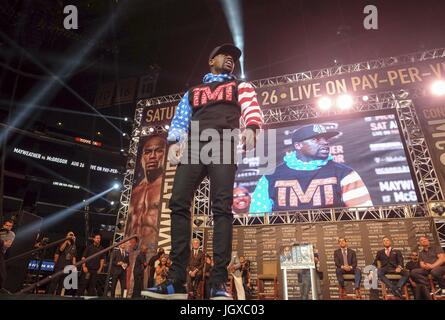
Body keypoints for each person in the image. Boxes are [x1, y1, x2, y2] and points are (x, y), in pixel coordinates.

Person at [145, 43, 263, 300]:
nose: (231, 59)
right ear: (211, 61)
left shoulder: (239, 86)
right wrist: (175, 141)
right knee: (177, 202)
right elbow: (179, 118)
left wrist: (252, 126)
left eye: (234, 57)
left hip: (224, 144)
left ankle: (218, 283)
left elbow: (251, 106)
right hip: (195, 146)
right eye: (225, 55)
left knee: (221, 208)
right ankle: (176, 281)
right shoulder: (193, 91)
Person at [250, 124, 373, 213]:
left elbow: (364, 215)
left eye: (326, 139)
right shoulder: (271, 176)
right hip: (287, 243)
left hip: (332, 242)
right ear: (298, 145)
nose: (325, 143)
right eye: (316, 139)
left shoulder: (345, 174)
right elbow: (258, 220)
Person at [127, 135, 167, 249]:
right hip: (132, 249)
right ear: (141, 158)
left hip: (155, 248)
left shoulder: (170, 188)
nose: (152, 156)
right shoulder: (135, 192)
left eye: (159, 151)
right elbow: (129, 226)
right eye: (148, 152)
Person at [47, 231, 77, 295]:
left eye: (73, 235)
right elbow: (61, 249)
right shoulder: (62, 242)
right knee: (55, 281)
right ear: (67, 235)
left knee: (62, 282)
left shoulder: (74, 245)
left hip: (67, 266)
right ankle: (49, 295)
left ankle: (58, 296)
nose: (71, 236)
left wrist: (74, 266)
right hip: (60, 264)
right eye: (70, 235)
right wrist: (66, 240)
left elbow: (74, 256)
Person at [0, 219, 15, 292]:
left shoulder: (11, 234)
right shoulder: (1, 231)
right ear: (3, 225)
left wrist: (1, 242)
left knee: (2, 275)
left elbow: (8, 245)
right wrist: (3, 242)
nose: (8, 227)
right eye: (7, 225)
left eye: (10, 226)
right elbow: (4, 243)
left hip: (1, 253)